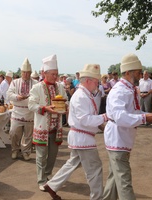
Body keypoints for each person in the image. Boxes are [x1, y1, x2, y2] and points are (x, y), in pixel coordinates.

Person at [43, 64, 108, 200]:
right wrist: (104, 117)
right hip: (83, 138)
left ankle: (52, 185)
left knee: (73, 162)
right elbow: (85, 119)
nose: (98, 84)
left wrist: (102, 124)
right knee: (95, 168)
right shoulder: (81, 96)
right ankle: (97, 197)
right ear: (88, 81)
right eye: (96, 81)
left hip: (81, 137)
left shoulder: (85, 94)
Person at [103, 53, 152, 200]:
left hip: (122, 139)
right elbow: (120, 117)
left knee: (115, 178)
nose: (141, 76)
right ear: (128, 73)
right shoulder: (119, 90)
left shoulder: (128, 89)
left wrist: (148, 115)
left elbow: (133, 112)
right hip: (117, 140)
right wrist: (144, 117)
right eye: (138, 73)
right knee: (124, 181)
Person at [28, 54, 68, 191]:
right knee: (41, 156)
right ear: (45, 73)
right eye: (53, 74)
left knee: (52, 155)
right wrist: (45, 108)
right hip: (42, 127)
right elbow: (31, 105)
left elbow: (66, 100)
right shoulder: (37, 88)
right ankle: (41, 180)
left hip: (55, 128)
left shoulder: (60, 87)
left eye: (56, 74)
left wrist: (65, 107)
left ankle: (47, 175)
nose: (55, 77)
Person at [7, 58, 38, 161]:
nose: (26, 74)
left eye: (28, 72)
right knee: (14, 132)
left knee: (28, 135)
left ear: (30, 73)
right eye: (24, 72)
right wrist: (17, 97)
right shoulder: (15, 82)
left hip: (30, 112)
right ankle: (15, 150)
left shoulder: (35, 83)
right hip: (17, 111)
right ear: (21, 72)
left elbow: (38, 96)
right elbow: (9, 94)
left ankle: (26, 152)